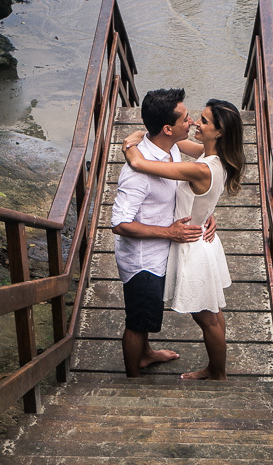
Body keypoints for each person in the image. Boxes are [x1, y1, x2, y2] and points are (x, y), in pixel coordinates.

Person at [122, 98, 245, 380]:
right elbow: (172, 141)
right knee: (213, 313)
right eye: (195, 118)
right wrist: (146, 131)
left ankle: (217, 371)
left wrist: (128, 144)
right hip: (201, 235)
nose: (194, 124)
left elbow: (140, 163)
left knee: (206, 317)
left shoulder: (200, 168)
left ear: (220, 131)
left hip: (192, 247)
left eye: (203, 121)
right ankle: (217, 367)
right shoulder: (212, 153)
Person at [110, 88, 209, 378]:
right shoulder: (136, 174)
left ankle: (147, 354)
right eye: (186, 118)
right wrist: (168, 232)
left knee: (148, 316)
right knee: (138, 321)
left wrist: (137, 135)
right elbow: (119, 224)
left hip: (159, 252)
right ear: (168, 128)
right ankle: (132, 377)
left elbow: (210, 151)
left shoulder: (171, 148)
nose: (191, 122)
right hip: (143, 261)